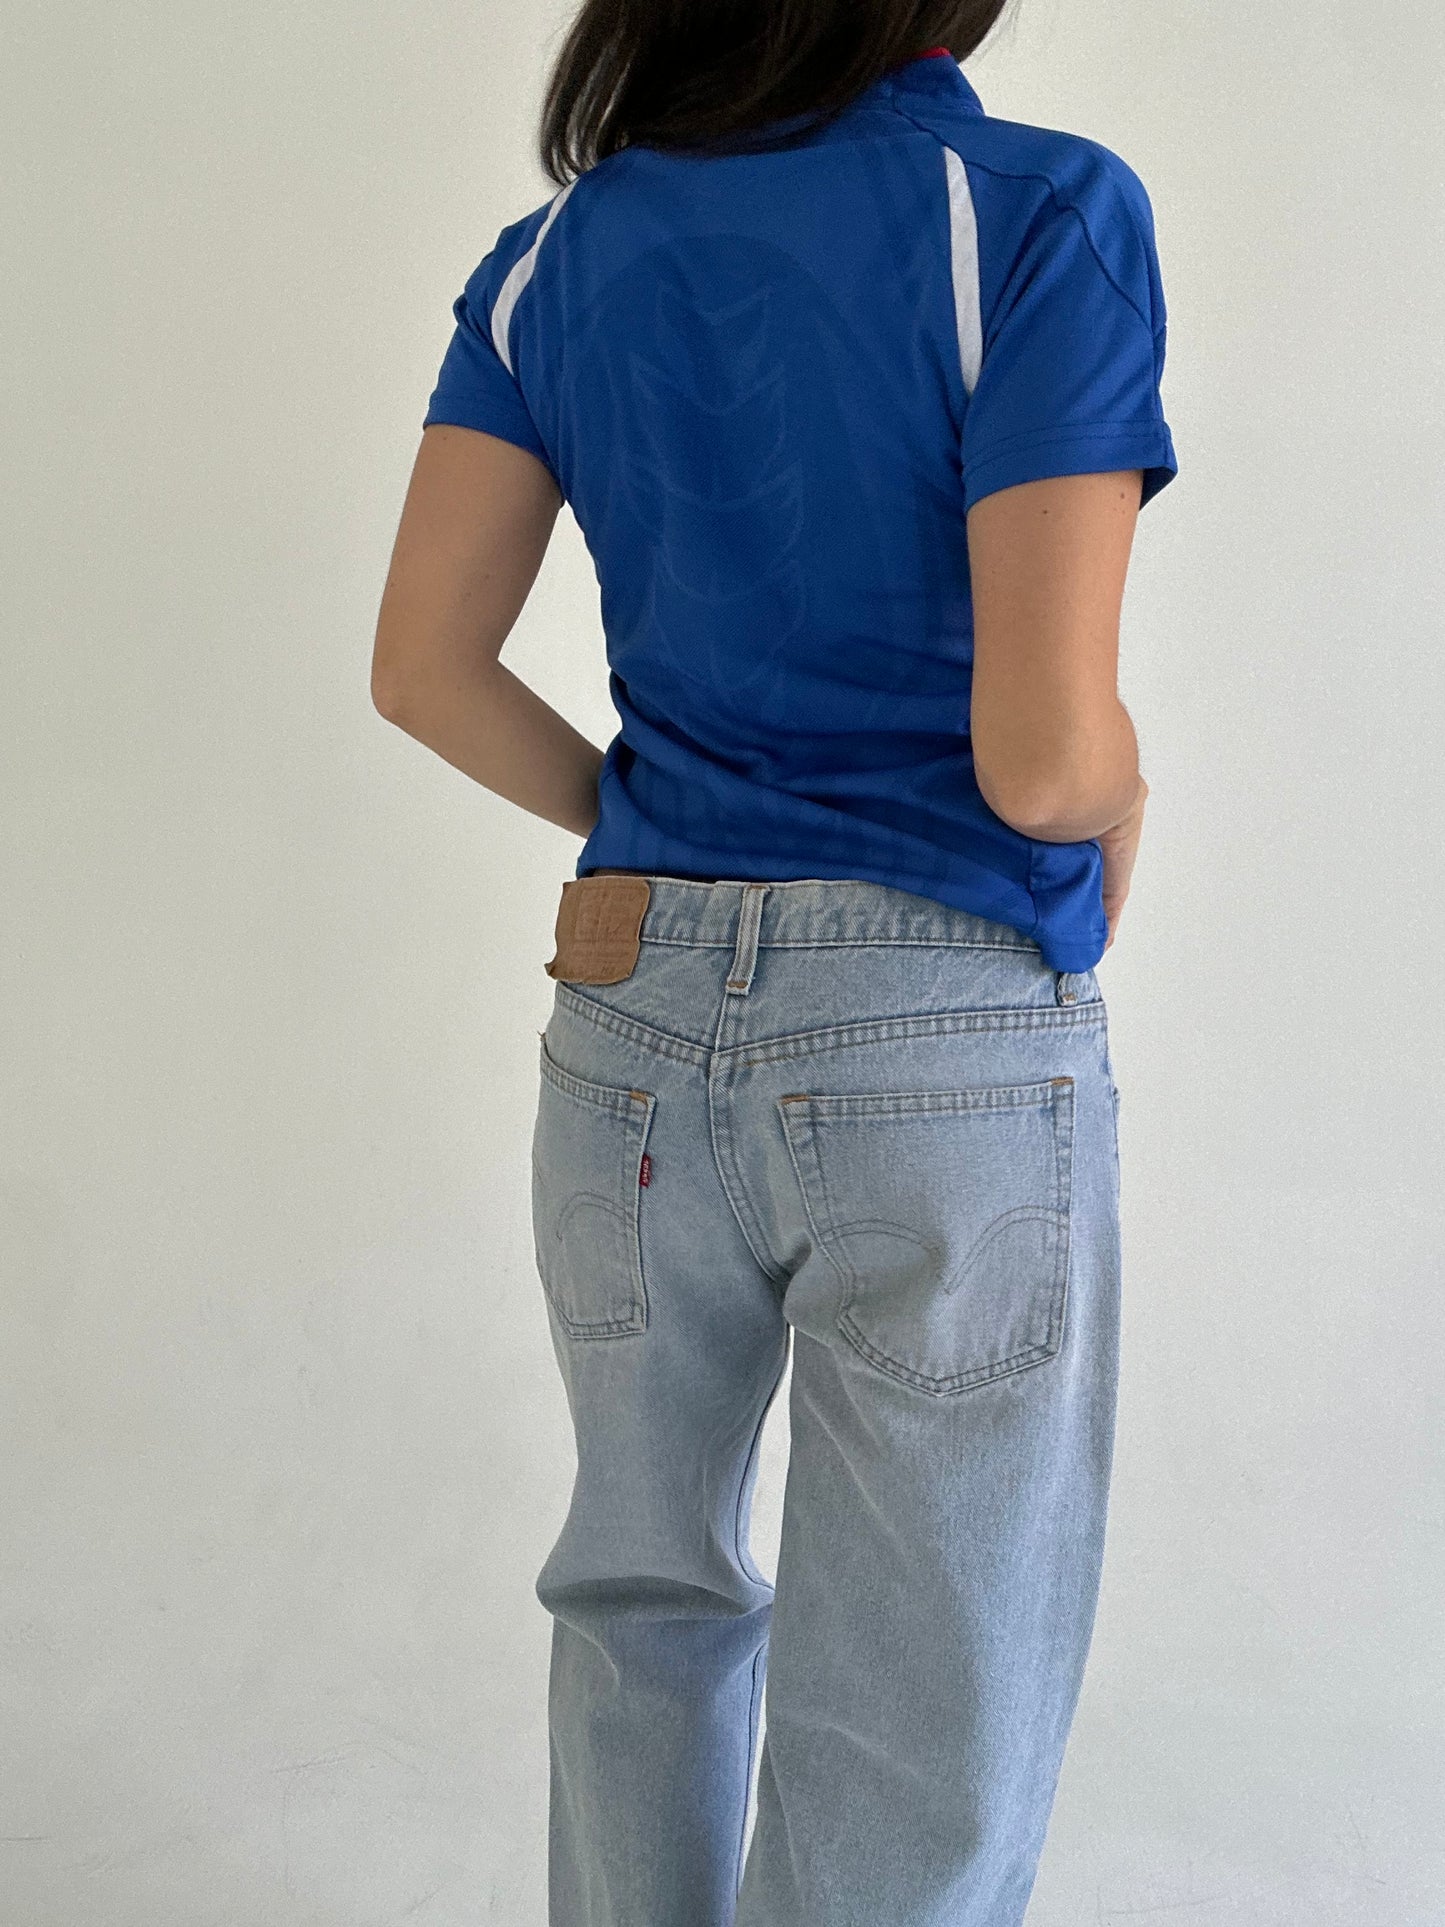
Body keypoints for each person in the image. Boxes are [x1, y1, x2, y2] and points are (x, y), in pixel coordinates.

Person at [372, 0, 1178, 1919]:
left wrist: (660, 842)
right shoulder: (1033, 211)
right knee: (924, 1675)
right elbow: (1042, 761)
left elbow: (421, 672)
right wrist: (1128, 790)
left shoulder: (556, 256)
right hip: (933, 1025)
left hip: (628, 1019)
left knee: (640, 1594)